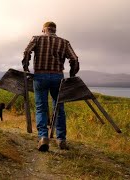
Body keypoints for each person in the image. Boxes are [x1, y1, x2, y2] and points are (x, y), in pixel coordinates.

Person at [22, 21, 79, 152]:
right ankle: (61, 139)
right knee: (59, 107)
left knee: (41, 108)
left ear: (44, 30)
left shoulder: (36, 39)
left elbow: (27, 52)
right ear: (54, 30)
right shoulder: (64, 42)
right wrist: (71, 74)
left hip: (40, 77)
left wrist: (26, 68)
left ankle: (43, 138)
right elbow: (74, 59)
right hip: (57, 78)